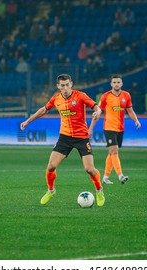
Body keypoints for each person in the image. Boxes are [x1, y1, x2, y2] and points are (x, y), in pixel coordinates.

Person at [20, 74, 105, 206]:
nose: (65, 88)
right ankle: (51, 190)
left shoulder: (80, 96)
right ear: (58, 86)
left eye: (67, 85)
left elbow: (96, 107)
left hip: (82, 137)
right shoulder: (56, 98)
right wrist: (28, 121)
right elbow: (44, 110)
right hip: (64, 137)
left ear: (71, 84)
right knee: (51, 166)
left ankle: (99, 190)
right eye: (62, 85)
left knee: (89, 169)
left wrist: (98, 113)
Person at [89, 74, 141, 185]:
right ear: (111, 84)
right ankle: (120, 175)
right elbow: (99, 110)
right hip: (109, 127)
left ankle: (105, 177)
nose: (116, 84)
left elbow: (130, 111)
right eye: (114, 82)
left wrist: (136, 120)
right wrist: (95, 118)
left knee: (112, 152)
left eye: (118, 82)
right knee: (114, 150)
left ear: (121, 83)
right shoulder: (105, 96)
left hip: (120, 128)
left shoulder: (126, 95)